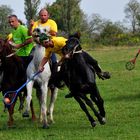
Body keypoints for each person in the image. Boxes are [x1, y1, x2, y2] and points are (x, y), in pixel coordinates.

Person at [38, 35, 110, 98]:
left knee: (94, 61)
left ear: (49, 40)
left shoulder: (58, 41)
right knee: (64, 73)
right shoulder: (48, 48)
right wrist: (41, 66)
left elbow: (68, 49)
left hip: (76, 53)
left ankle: (101, 73)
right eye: (42, 44)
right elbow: (46, 57)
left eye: (45, 43)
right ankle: (72, 90)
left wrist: (60, 61)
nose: (44, 45)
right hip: (66, 58)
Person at [28, 8, 58, 81]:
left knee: (54, 62)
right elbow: (29, 34)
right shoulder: (36, 23)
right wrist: (31, 26)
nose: (43, 17)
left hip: (49, 45)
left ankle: (53, 79)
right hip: (37, 45)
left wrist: (42, 33)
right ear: (39, 16)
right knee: (28, 59)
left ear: (48, 15)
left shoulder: (52, 22)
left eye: (45, 15)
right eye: (41, 15)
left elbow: (54, 33)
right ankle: (28, 76)